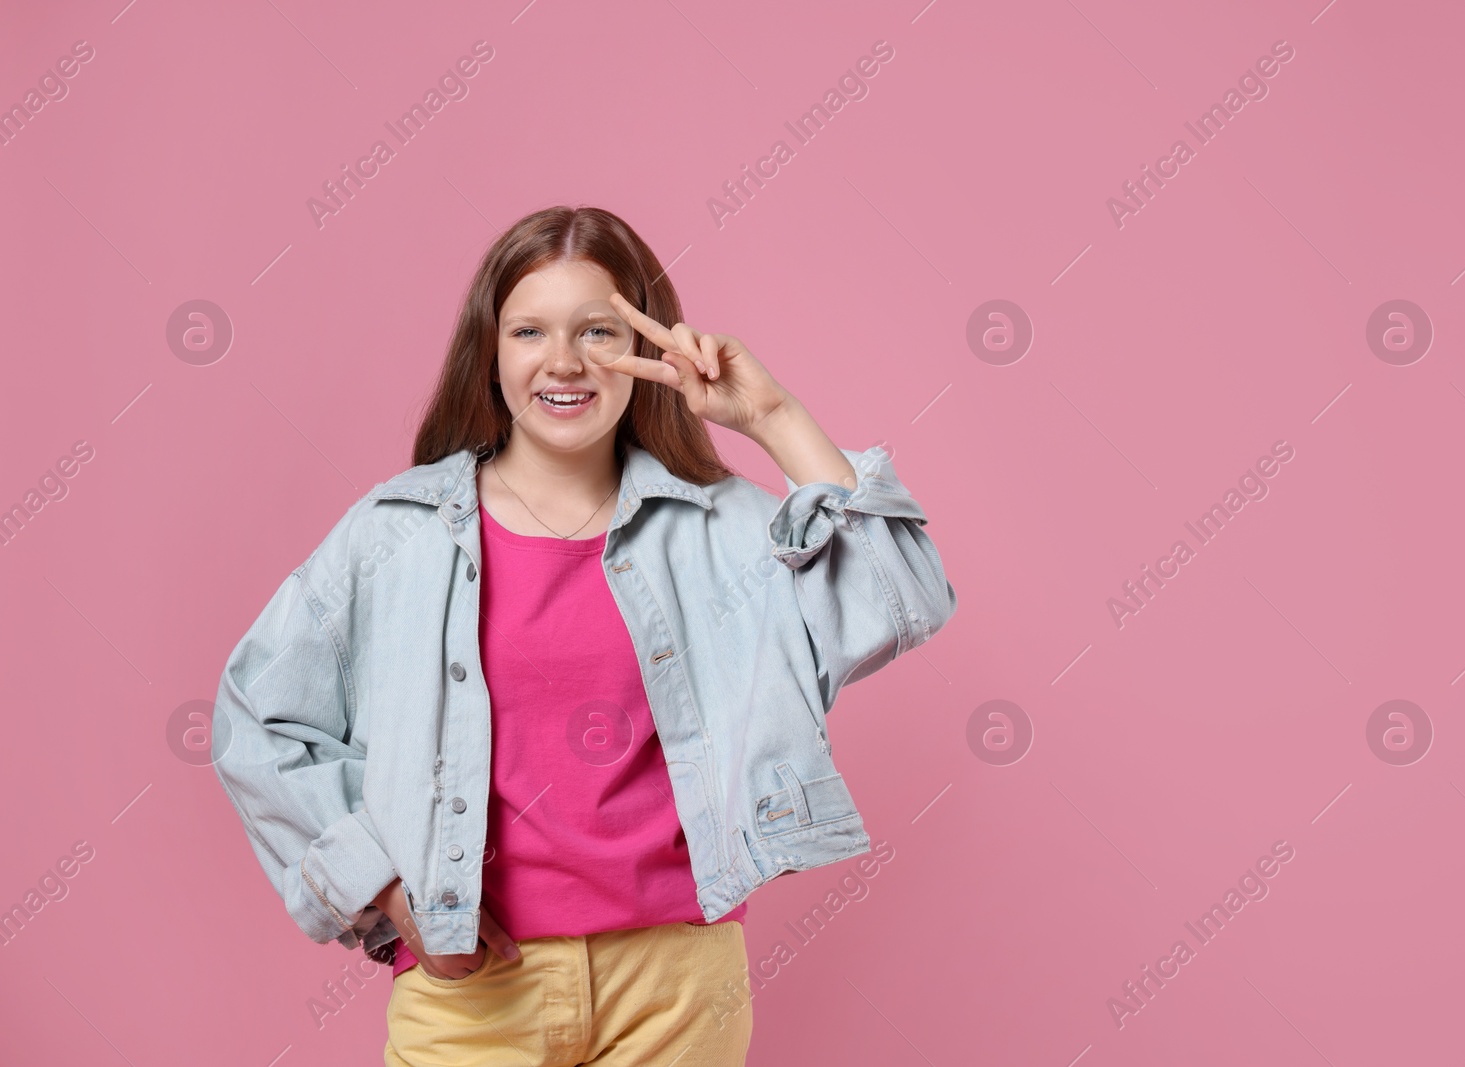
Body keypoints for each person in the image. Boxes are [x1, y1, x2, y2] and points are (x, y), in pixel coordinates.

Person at [210, 205, 957, 1066]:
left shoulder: (716, 527)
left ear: (646, 350)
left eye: (598, 330)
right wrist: (380, 885)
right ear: (490, 353)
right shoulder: (397, 535)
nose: (563, 361)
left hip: (678, 986)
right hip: (474, 988)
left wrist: (771, 416)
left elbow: (904, 598)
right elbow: (257, 719)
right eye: (530, 330)